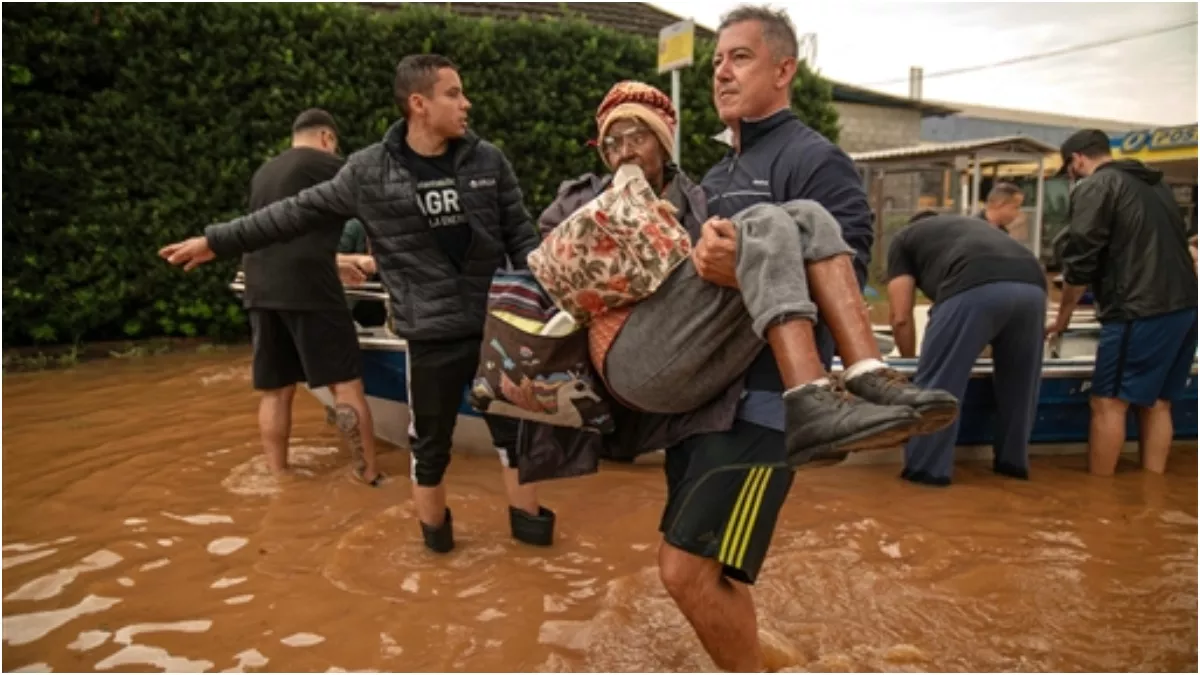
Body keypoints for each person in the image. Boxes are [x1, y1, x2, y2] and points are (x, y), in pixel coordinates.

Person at [159, 54, 556, 553]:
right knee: (429, 451)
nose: (466, 102)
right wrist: (218, 241)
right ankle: (438, 558)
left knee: (517, 443)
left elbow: (521, 236)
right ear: (419, 103)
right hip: (428, 337)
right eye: (453, 93)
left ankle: (534, 552)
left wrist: (555, 298)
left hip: (495, 329)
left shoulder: (488, 160)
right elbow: (292, 214)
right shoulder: (368, 171)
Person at [646, 6, 936, 671]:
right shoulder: (716, 176)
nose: (721, 71)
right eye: (717, 59)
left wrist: (740, 269)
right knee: (696, 571)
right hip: (703, 401)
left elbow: (843, 278)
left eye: (739, 57)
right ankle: (782, 660)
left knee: (684, 570)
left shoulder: (814, 160)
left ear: (784, 70)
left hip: (765, 405)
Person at [538, 81, 957, 465]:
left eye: (637, 137)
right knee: (766, 222)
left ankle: (863, 371)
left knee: (809, 216)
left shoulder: (699, 200)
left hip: (692, 356)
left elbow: (716, 288)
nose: (624, 151)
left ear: (664, 146)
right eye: (612, 143)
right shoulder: (585, 197)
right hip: (627, 354)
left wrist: (723, 258)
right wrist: (614, 228)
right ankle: (807, 398)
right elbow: (546, 270)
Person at [224, 108, 381, 487]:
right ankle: (369, 475)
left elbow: (282, 233)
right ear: (327, 138)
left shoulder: (265, 172)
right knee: (345, 384)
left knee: (276, 390)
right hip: (310, 288)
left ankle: (279, 475)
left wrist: (334, 259)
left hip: (260, 287)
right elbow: (377, 204)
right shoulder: (326, 166)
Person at [1047, 128, 1198, 476]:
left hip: (1139, 308)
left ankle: (1099, 502)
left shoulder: (1095, 186)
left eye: (1069, 171)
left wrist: (1064, 315)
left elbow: (1081, 257)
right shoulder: (1155, 185)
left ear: (1077, 160)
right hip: (1186, 307)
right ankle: (1150, 489)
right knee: (1158, 403)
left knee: (1108, 402)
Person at [887, 211, 1049, 485]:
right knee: (1020, 386)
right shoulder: (971, 228)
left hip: (973, 282)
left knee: (937, 388)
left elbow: (901, 317)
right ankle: (1013, 466)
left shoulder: (903, 239)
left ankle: (927, 474)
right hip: (1033, 287)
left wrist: (911, 365)